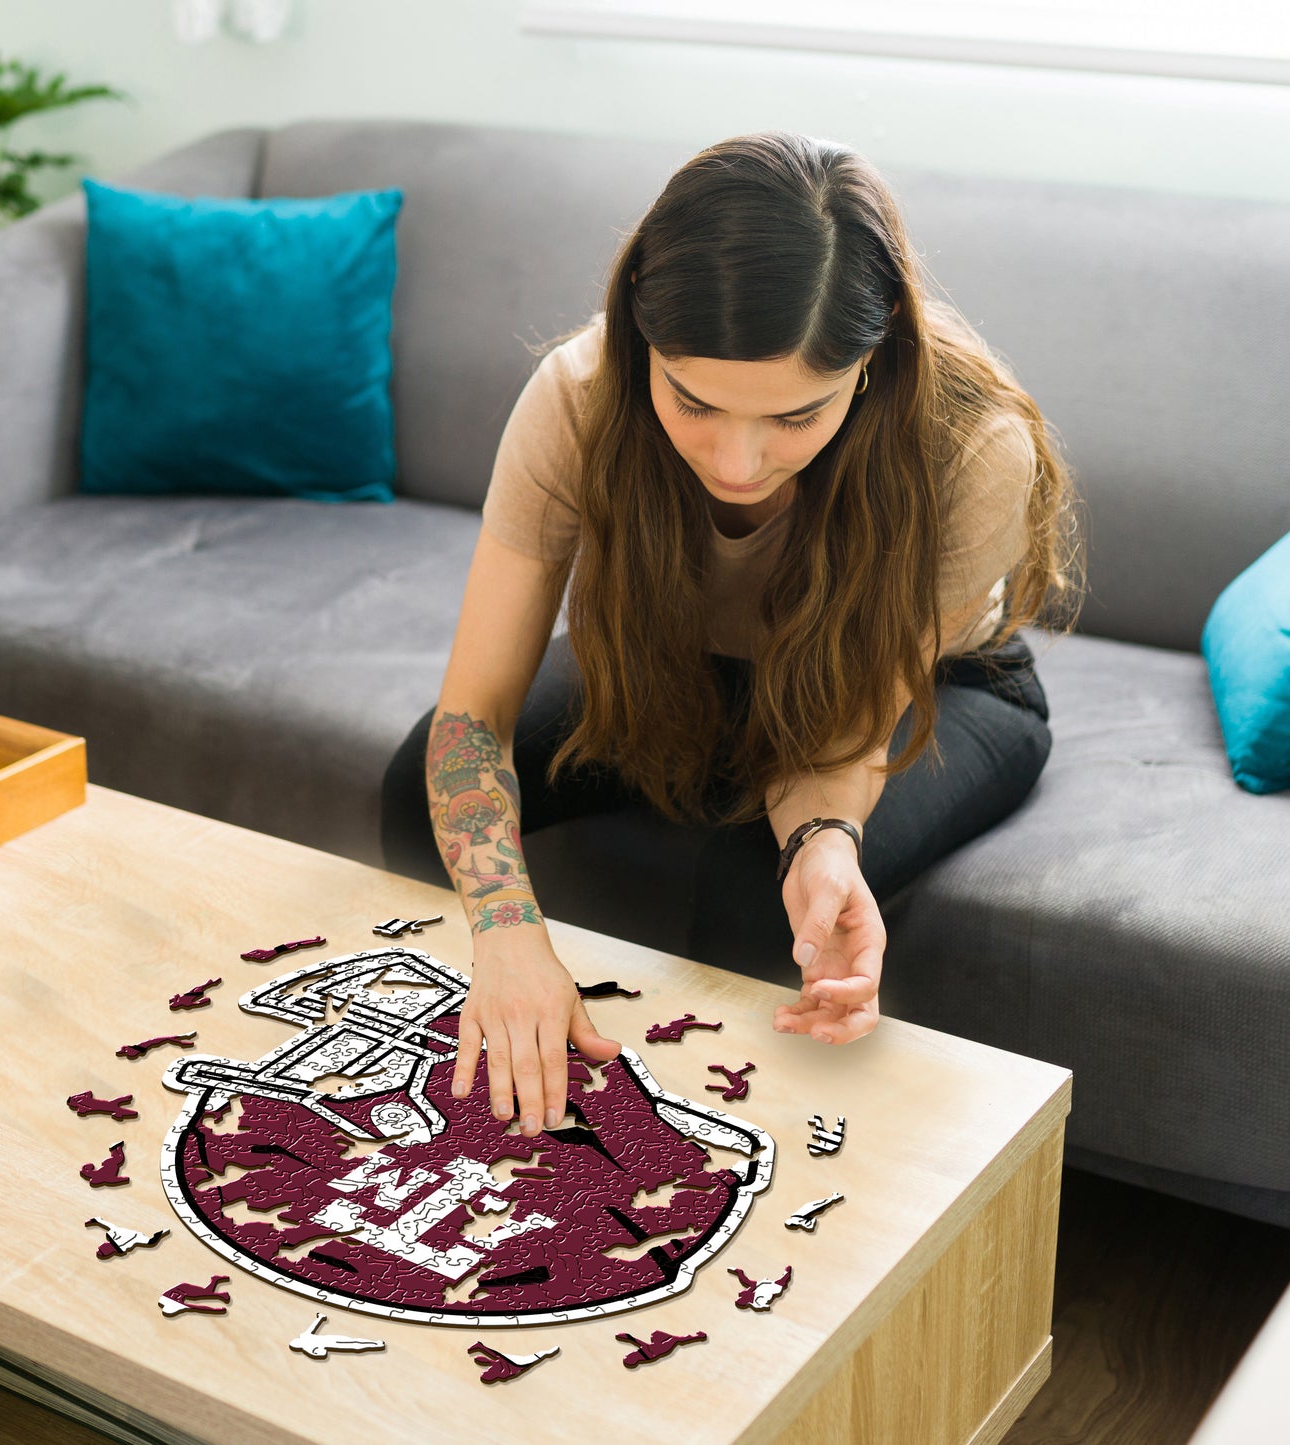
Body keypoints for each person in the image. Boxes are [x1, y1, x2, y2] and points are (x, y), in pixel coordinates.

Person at [381, 131, 1081, 1145]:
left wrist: (821, 842)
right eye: (692, 402)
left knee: (760, 888)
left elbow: (840, 728)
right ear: (639, 337)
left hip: (942, 684)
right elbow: (470, 715)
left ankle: (707, 1165)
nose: (737, 461)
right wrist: (505, 932)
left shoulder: (970, 446)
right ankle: (494, 1056)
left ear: (874, 350)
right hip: (681, 664)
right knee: (420, 786)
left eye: (794, 416)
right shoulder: (580, 395)